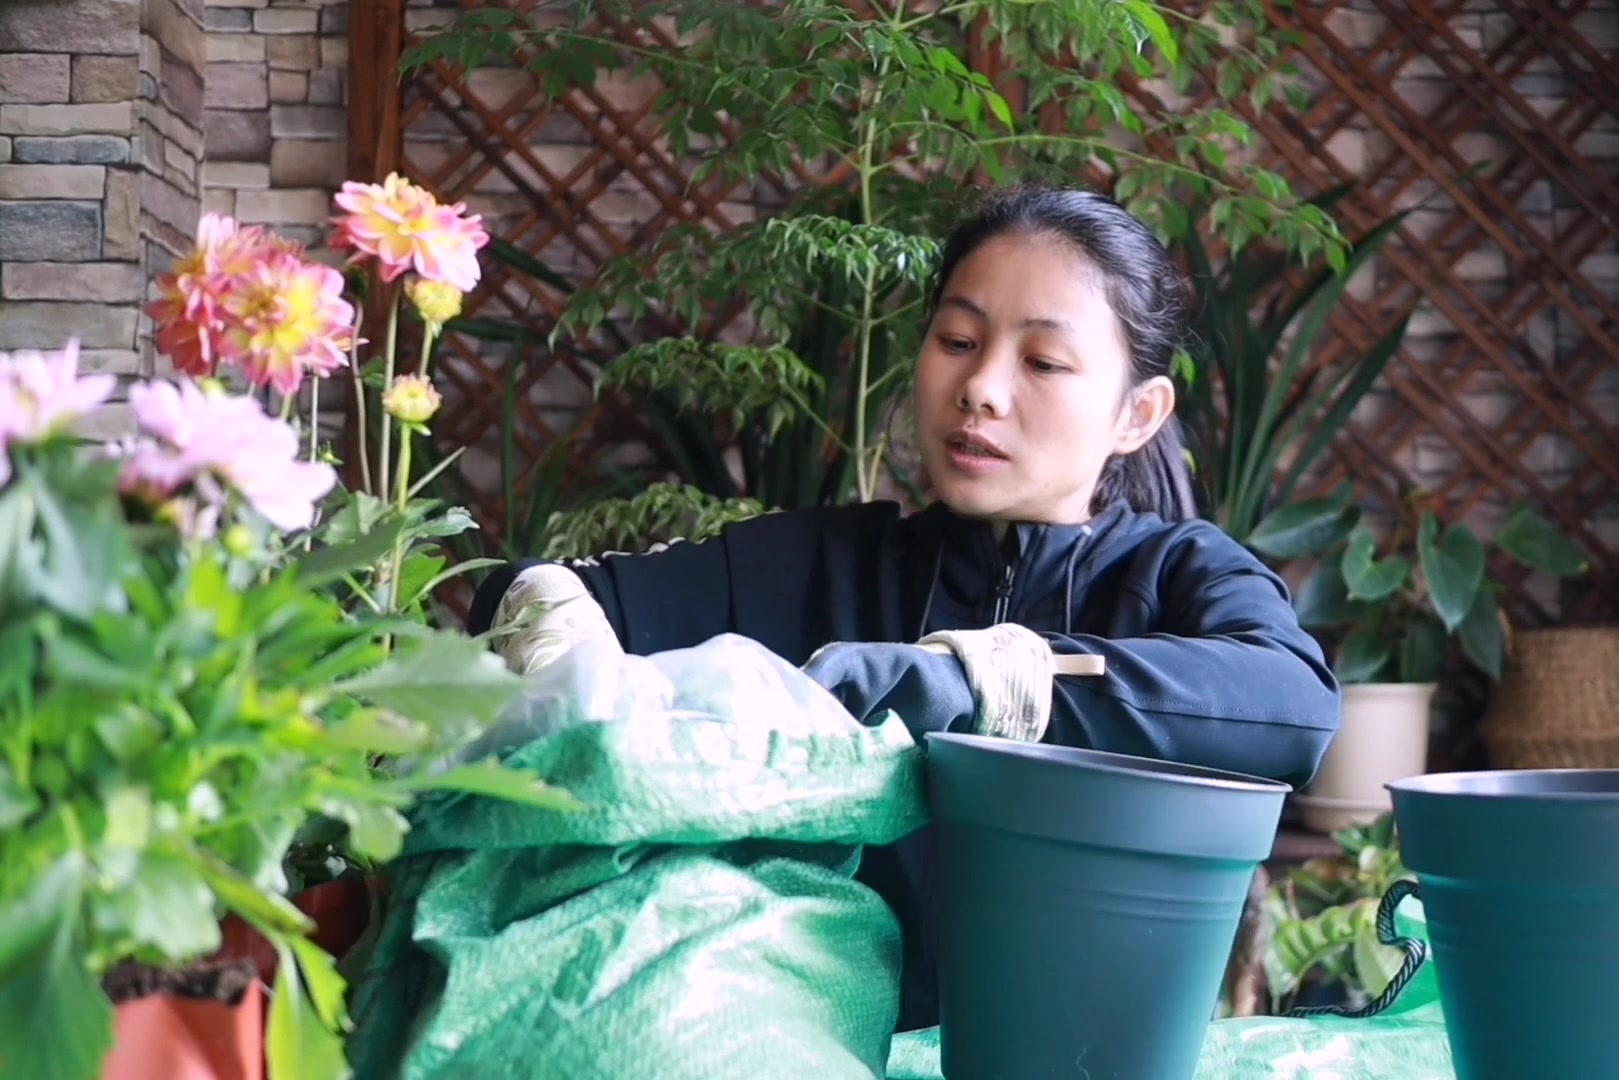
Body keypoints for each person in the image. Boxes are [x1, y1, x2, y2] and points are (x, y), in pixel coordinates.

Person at [466, 183, 1342, 1032]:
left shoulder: (1179, 575)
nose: (982, 389)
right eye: (957, 340)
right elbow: (531, 592)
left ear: (1137, 413)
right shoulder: (824, 561)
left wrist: (982, 683)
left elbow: (1294, 706)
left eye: (1042, 361)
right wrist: (584, 702)